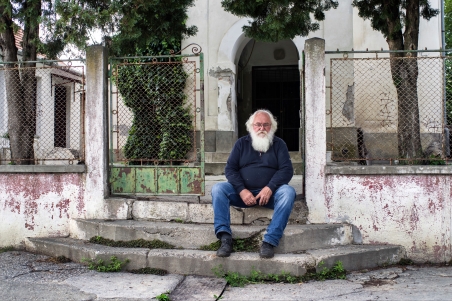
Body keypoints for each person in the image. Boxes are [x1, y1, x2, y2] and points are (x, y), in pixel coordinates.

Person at [211, 109, 296, 258]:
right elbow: (230, 169)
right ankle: (225, 238)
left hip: (270, 195)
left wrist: (270, 187)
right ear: (251, 126)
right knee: (218, 189)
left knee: (288, 192)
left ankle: (269, 241)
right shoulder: (241, 144)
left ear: (272, 127)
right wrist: (242, 190)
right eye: (258, 125)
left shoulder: (279, 144)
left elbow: (286, 170)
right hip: (242, 194)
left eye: (266, 125)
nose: (262, 128)